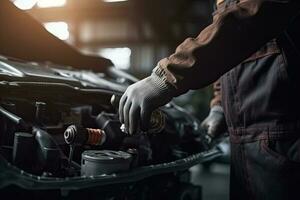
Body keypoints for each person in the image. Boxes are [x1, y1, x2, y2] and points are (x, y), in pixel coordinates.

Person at [119, 0, 300, 199]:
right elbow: (233, 52)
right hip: (250, 143)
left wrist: (165, 77)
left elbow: (250, 18)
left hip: (287, 138)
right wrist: (220, 105)